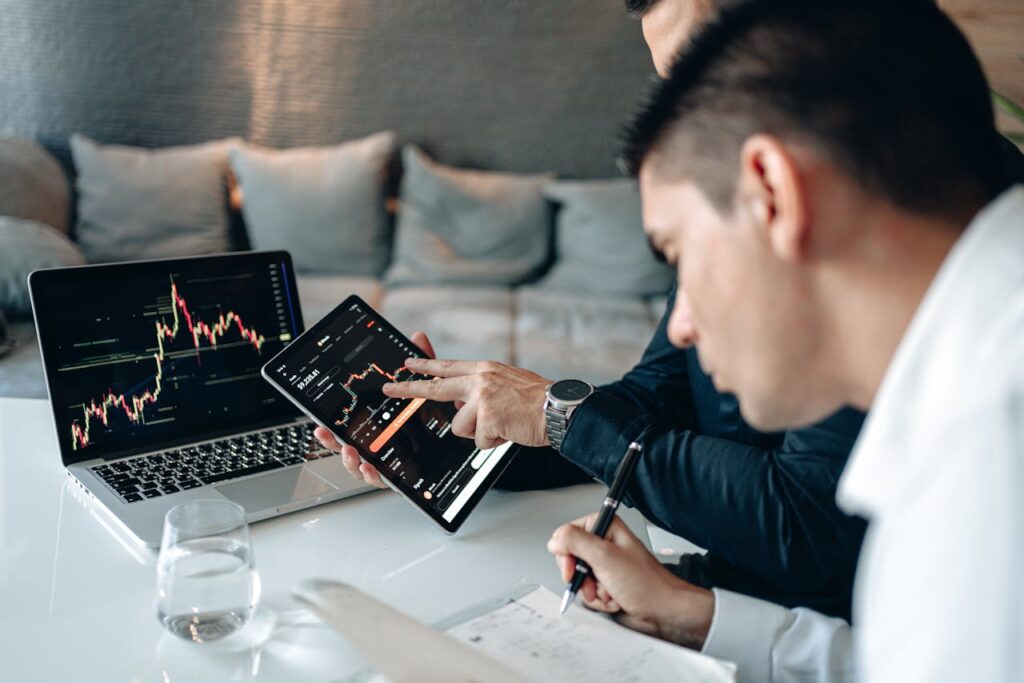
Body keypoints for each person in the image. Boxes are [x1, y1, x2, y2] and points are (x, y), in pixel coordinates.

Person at [315, 0, 872, 620]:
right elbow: (653, 398)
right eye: (672, 87)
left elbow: (808, 524)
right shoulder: (742, 197)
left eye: (703, 79)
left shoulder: (889, 231)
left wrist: (562, 415)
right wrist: (470, 438)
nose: (687, 122)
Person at [543, 1, 1023, 680]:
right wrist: (693, 614)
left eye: (681, 248)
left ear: (773, 189)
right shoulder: (965, 344)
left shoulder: (990, 442)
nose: (680, 323)